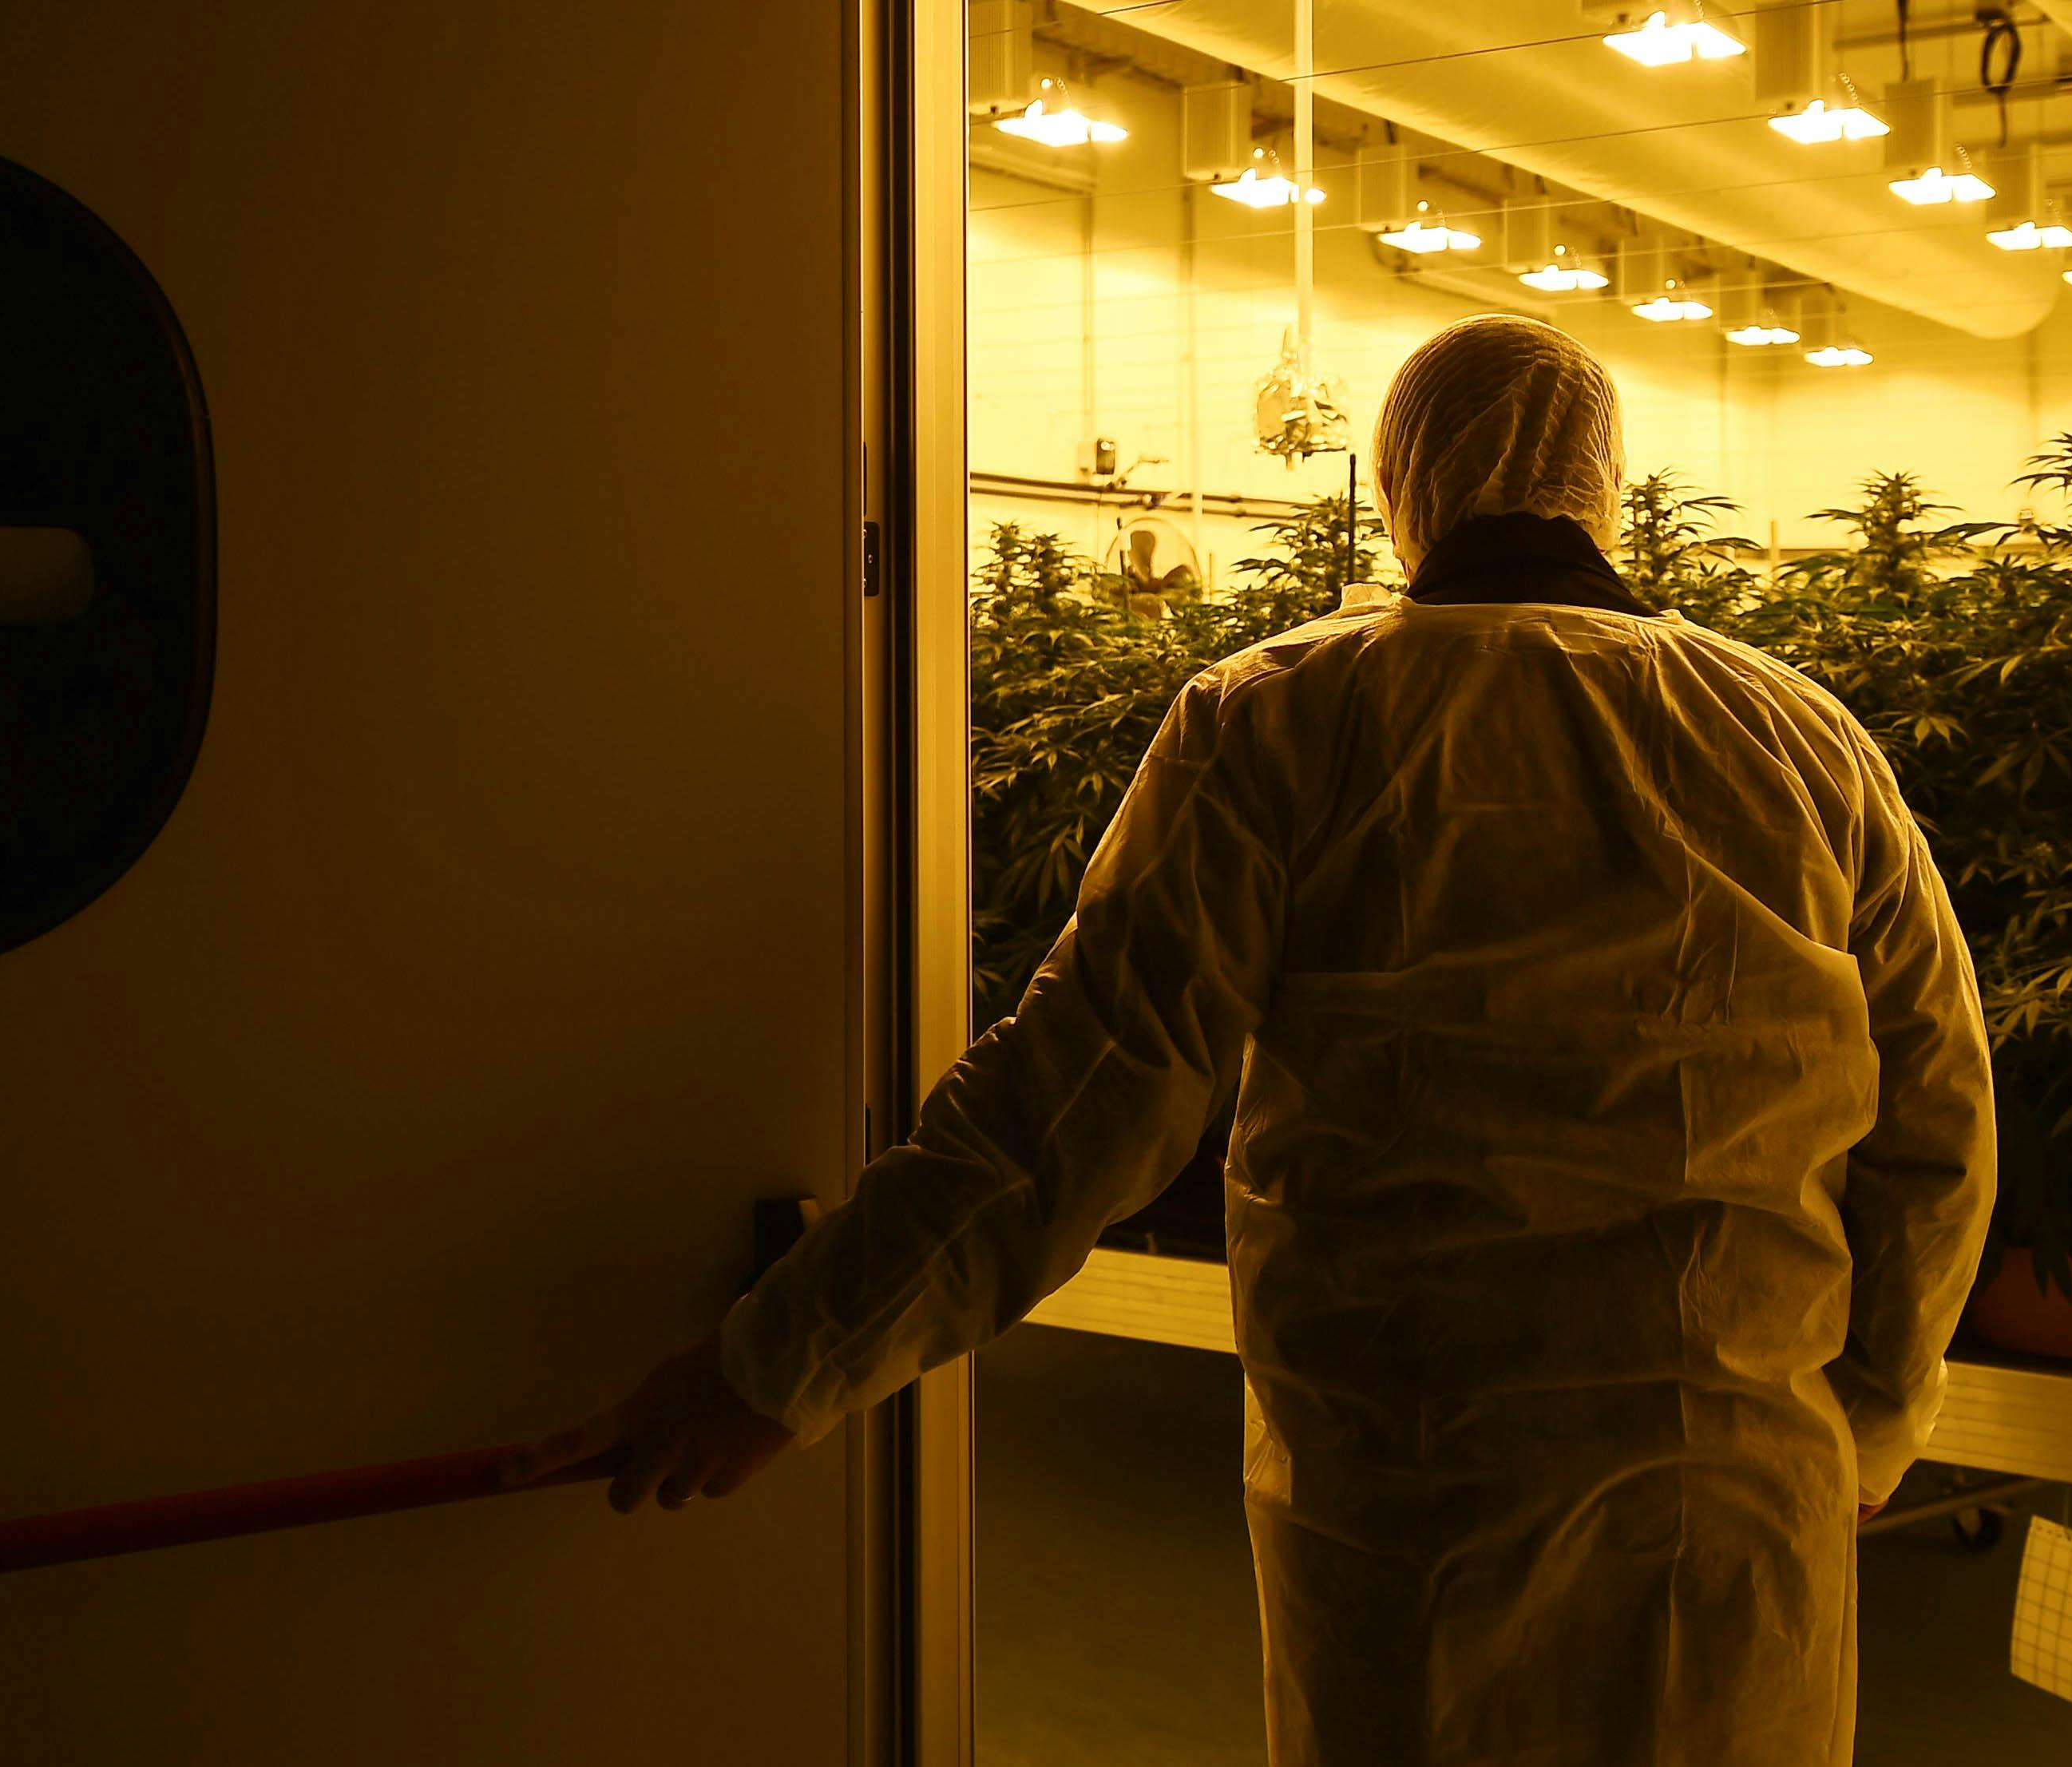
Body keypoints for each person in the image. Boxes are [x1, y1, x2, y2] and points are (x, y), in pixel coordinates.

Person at [509, 313, 1996, 1766]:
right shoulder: (1800, 739)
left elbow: (1068, 1101)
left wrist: (779, 1366)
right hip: (1734, 1503)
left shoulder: (1282, 717)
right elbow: (1938, 1119)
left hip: (1409, 1496)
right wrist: (1864, 1423)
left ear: (1400, 480)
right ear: (1602, 483)